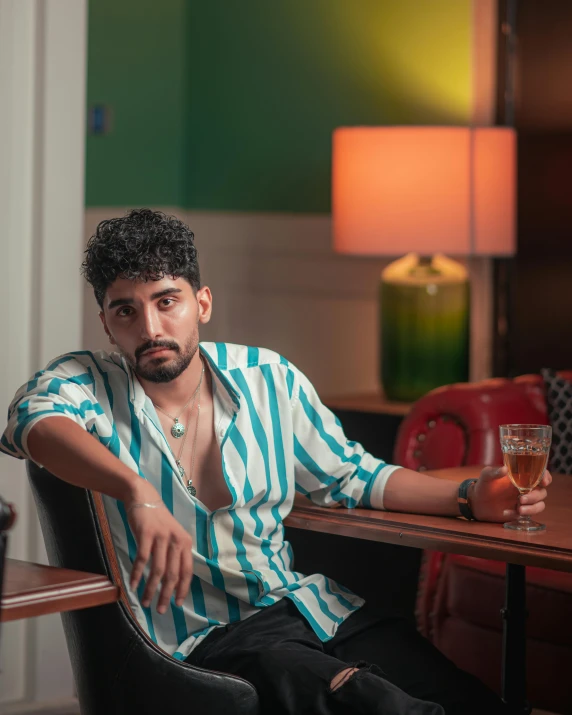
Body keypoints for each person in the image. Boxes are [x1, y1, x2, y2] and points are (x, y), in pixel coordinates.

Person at [1, 209, 550, 715]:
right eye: (127, 310)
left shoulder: (270, 378)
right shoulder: (87, 381)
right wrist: (137, 491)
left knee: (470, 701)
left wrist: (468, 497)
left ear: (203, 303)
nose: (149, 329)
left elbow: (352, 475)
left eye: (167, 300)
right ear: (106, 322)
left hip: (309, 607)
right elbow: (32, 423)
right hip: (205, 638)